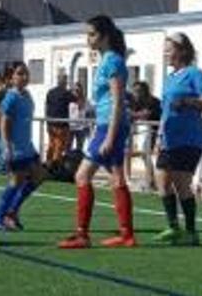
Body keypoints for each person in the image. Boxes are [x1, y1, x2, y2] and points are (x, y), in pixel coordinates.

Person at [58, 15, 135, 249]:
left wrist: (110, 136)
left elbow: (117, 101)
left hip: (110, 126)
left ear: (104, 36)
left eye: (91, 34)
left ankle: (82, 234)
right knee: (117, 178)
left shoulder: (112, 61)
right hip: (108, 125)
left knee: (81, 176)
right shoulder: (107, 60)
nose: (87, 38)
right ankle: (126, 234)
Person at [153, 33, 202, 246]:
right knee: (161, 181)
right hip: (169, 138)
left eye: (169, 49)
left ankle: (191, 231)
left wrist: (189, 102)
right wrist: (159, 137)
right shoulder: (169, 78)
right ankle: (173, 226)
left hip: (189, 138)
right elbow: (164, 112)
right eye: (165, 50)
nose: (165, 54)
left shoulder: (194, 74)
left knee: (182, 183)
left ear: (182, 50)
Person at [0, 63, 44, 231]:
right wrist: (7, 146)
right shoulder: (11, 96)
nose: (24, 77)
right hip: (15, 146)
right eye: (20, 74)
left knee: (39, 175)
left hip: (27, 146)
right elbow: (4, 122)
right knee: (15, 181)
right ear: (12, 78)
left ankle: (11, 211)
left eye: (26, 73)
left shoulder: (26, 95)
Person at [131, 81, 161, 192]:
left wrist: (134, 115)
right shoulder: (137, 102)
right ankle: (151, 180)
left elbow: (145, 114)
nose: (136, 93)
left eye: (138, 91)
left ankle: (153, 181)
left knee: (147, 154)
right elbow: (134, 114)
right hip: (148, 130)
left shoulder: (152, 101)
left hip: (158, 130)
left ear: (144, 91)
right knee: (145, 154)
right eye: (135, 91)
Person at [45, 73, 76, 165]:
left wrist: (47, 121)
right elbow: (76, 99)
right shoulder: (66, 93)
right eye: (66, 80)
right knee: (59, 146)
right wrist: (74, 90)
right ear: (65, 82)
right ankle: (54, 166)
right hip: (61, 125)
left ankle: (48, 163)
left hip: (51, 123)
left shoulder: (50, 92)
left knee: (51, 145)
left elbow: (46, 107)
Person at [68, 82, 92, 152]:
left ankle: (78, 160)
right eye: (75, 90)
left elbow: (89, 112)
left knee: (79, 146)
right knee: (68, 146)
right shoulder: (69, 99)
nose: (76, 92)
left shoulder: (85, 100)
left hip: (81, 127)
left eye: (78, 90)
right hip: (71, 126)